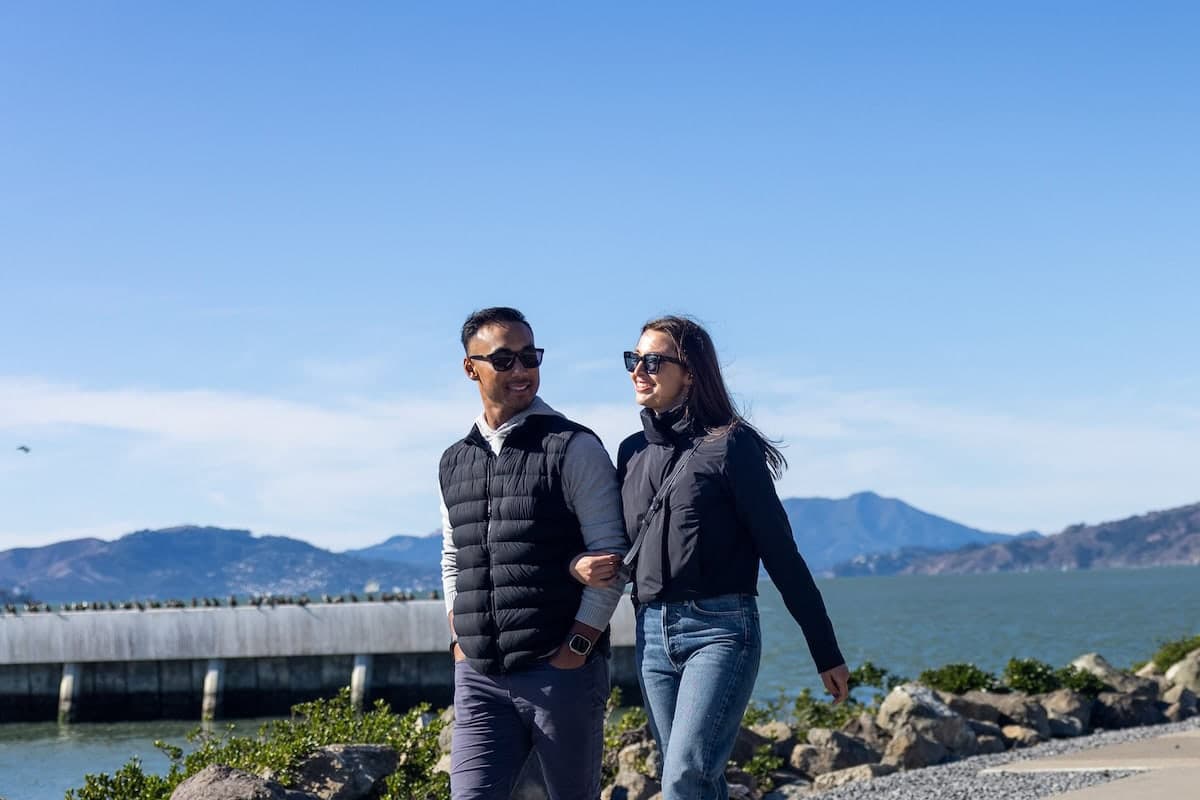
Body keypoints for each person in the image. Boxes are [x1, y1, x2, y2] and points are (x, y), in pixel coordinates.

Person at [572, 315, 850, 800]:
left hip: (720, 630)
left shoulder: (731, 445)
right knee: (695, 780)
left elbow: (781, 553)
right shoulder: (630, 452)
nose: (639, 369)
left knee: (684, 776)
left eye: (653, 360)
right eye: (633, 359)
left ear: (692, 372)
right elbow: (615, 543)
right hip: (650, 631)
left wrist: (824, 649)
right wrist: (576, 566)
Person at [439, 306, 628, 800]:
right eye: (504, 360)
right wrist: (459, 639)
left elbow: (610, 554)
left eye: (529, 356)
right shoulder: (454, 459)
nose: (521, 370)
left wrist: (579, 647)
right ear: (470, 368)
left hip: (558, 672)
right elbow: (452, 557)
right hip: (478, 675)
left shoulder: (574, 446)